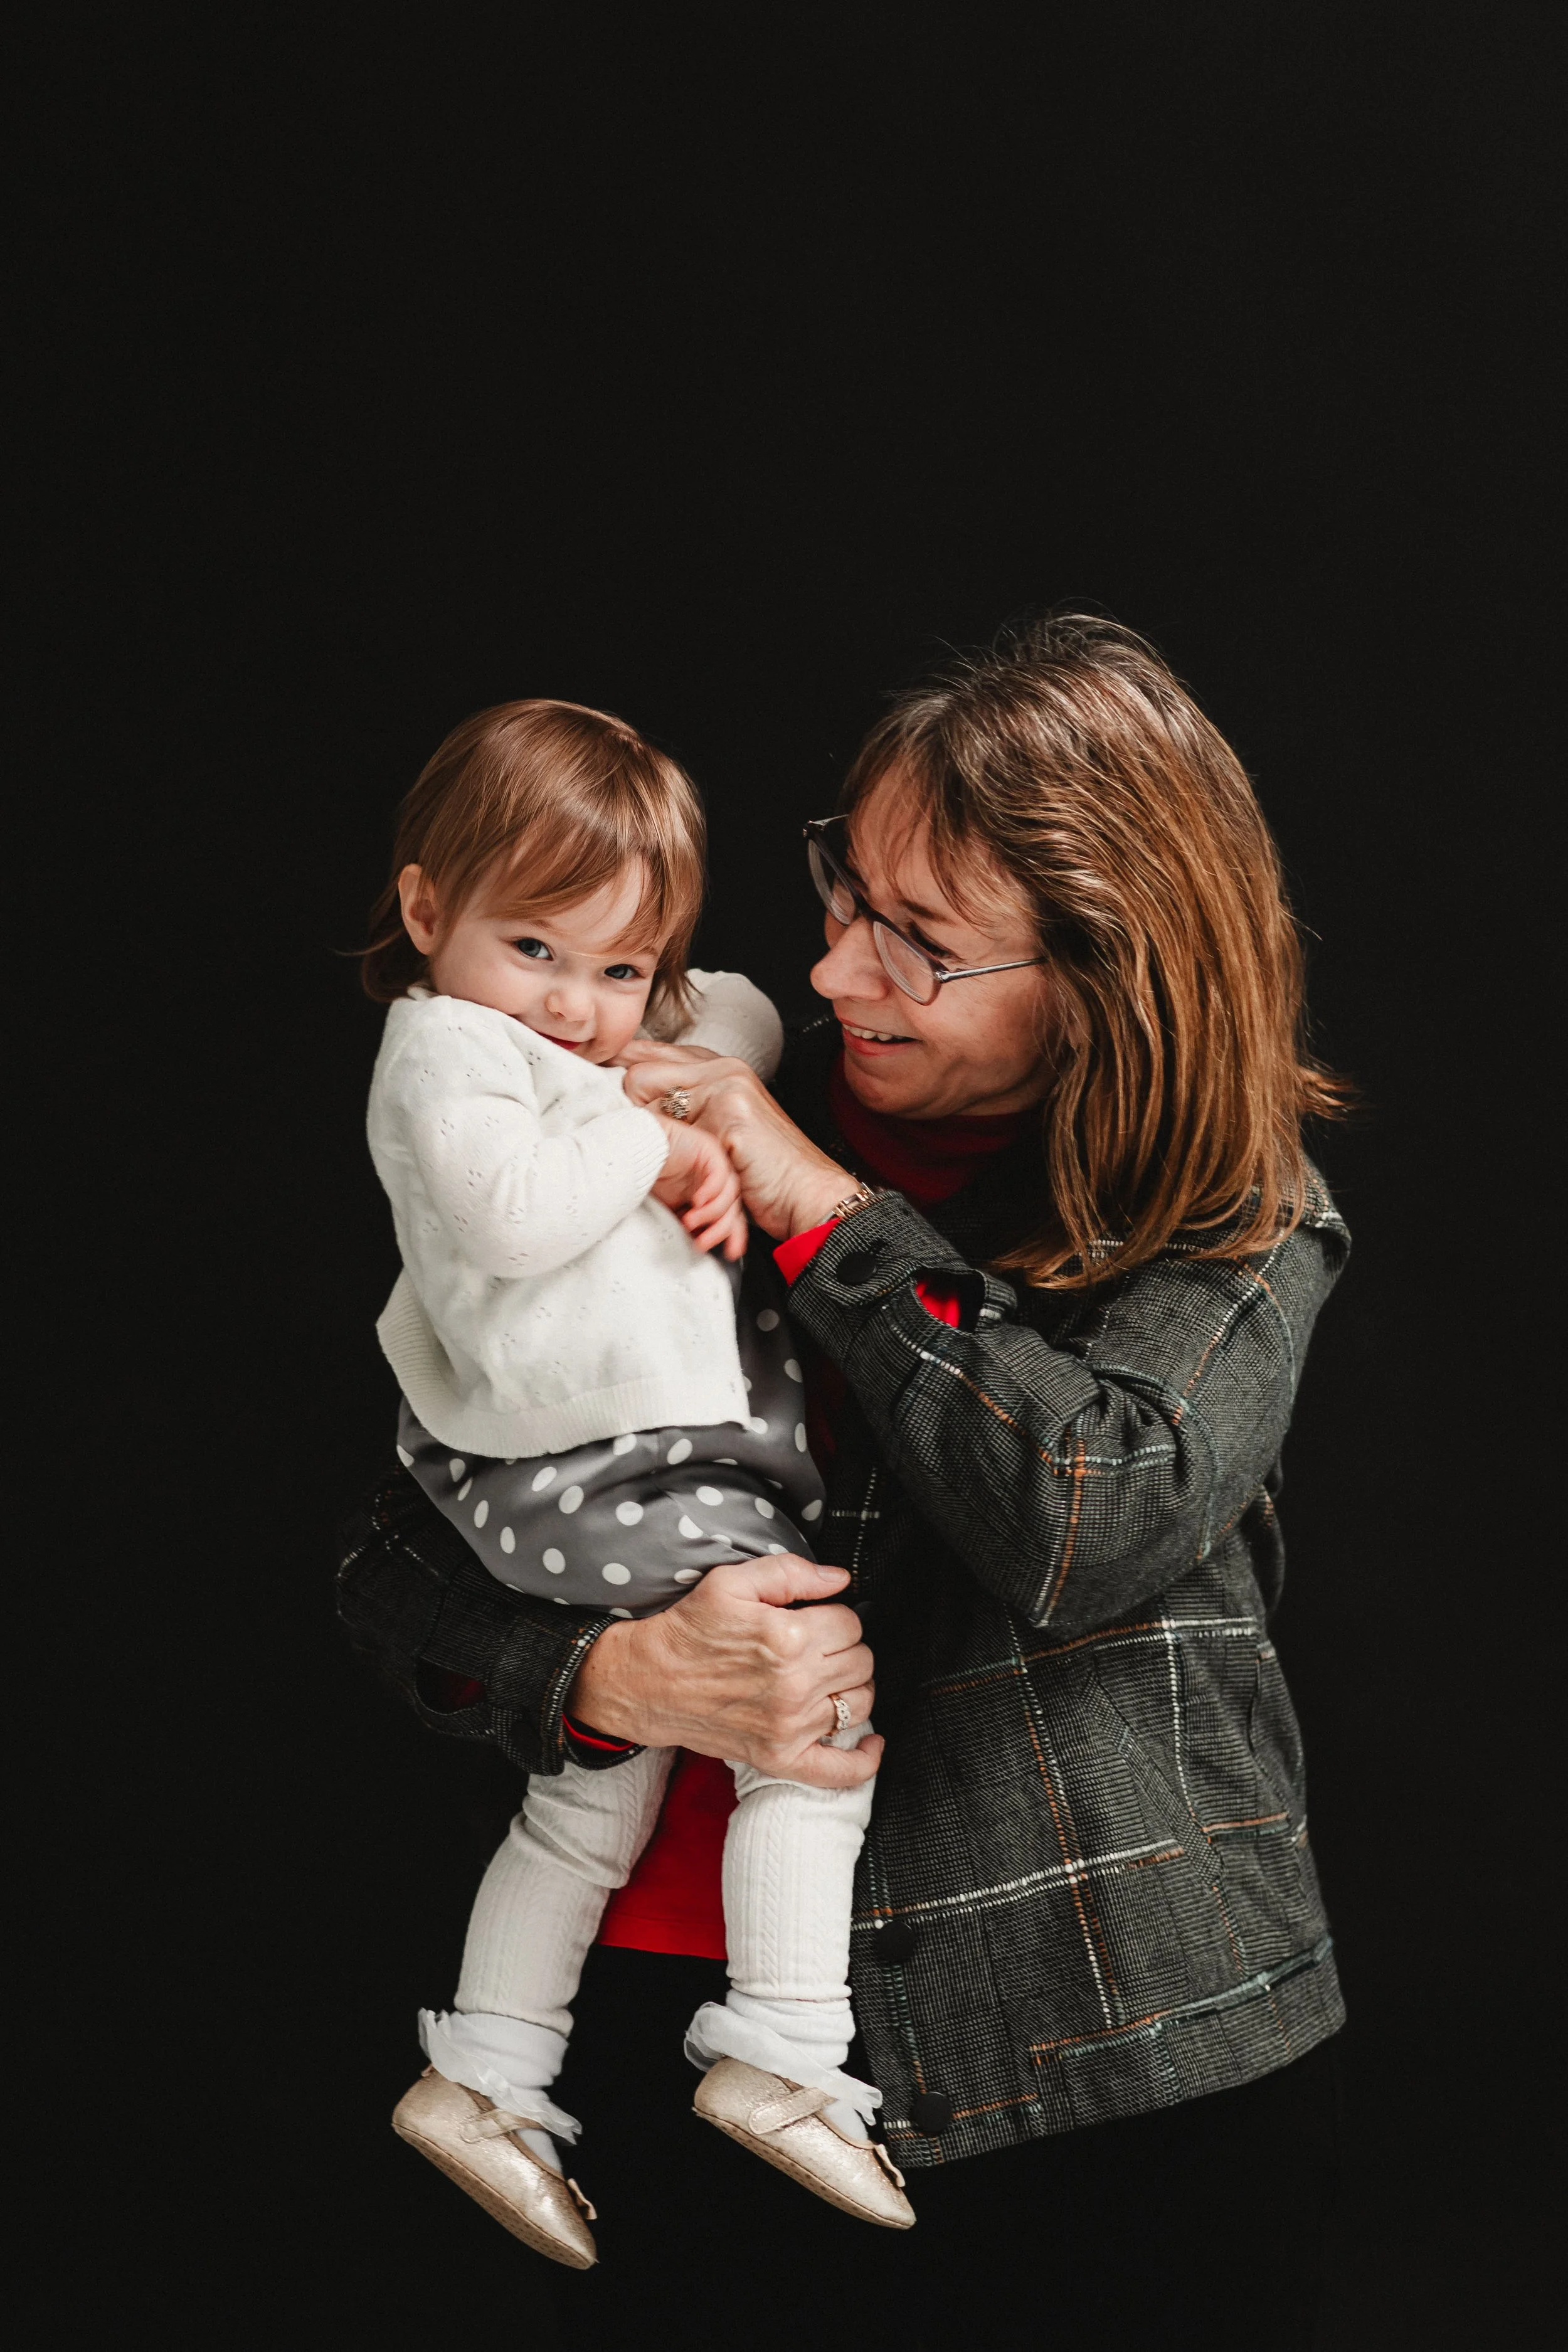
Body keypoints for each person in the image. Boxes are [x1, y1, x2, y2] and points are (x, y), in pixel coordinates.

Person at [338, 617, 1348, 2348]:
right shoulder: (650, 1107)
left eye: (919, 940)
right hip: (675, 2024)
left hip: (1097, 2055)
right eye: (845, 892)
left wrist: (820, 1206)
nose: (829, 974)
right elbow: (400, 1549)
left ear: (1106, 973)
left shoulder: (1230, 1218)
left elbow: (1090, 1512)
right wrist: (597, 1672)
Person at [358, 698, 913, 2272]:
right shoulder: (447, 1054)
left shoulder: (601, 1029)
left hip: (616, 1462)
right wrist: (661, 1144)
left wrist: (693, 1065)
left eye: (617, 970)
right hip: (599, 1461)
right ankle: (788, 2050)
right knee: (810, 1720)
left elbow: (729, 1007)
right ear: (424, 914)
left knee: (594, 1795)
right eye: (535, 949)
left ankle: (485, 2070)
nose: (578, 1011)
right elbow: (517, 1209)